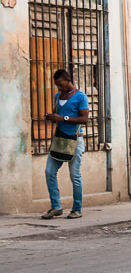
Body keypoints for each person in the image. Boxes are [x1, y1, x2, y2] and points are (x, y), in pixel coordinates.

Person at [41, 69, 89, 219]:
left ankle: (77, 208)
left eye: (60, 84)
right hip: (60, 140)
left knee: (75, 175)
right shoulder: (57, 96)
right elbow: (60, 116)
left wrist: (63, 118)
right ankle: (56, 207)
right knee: (49, 172)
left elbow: (84, 119)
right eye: (56, 85)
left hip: (74, 140)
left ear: (68, 80)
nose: (58, 88)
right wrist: (52, 117)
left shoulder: (81, 97)